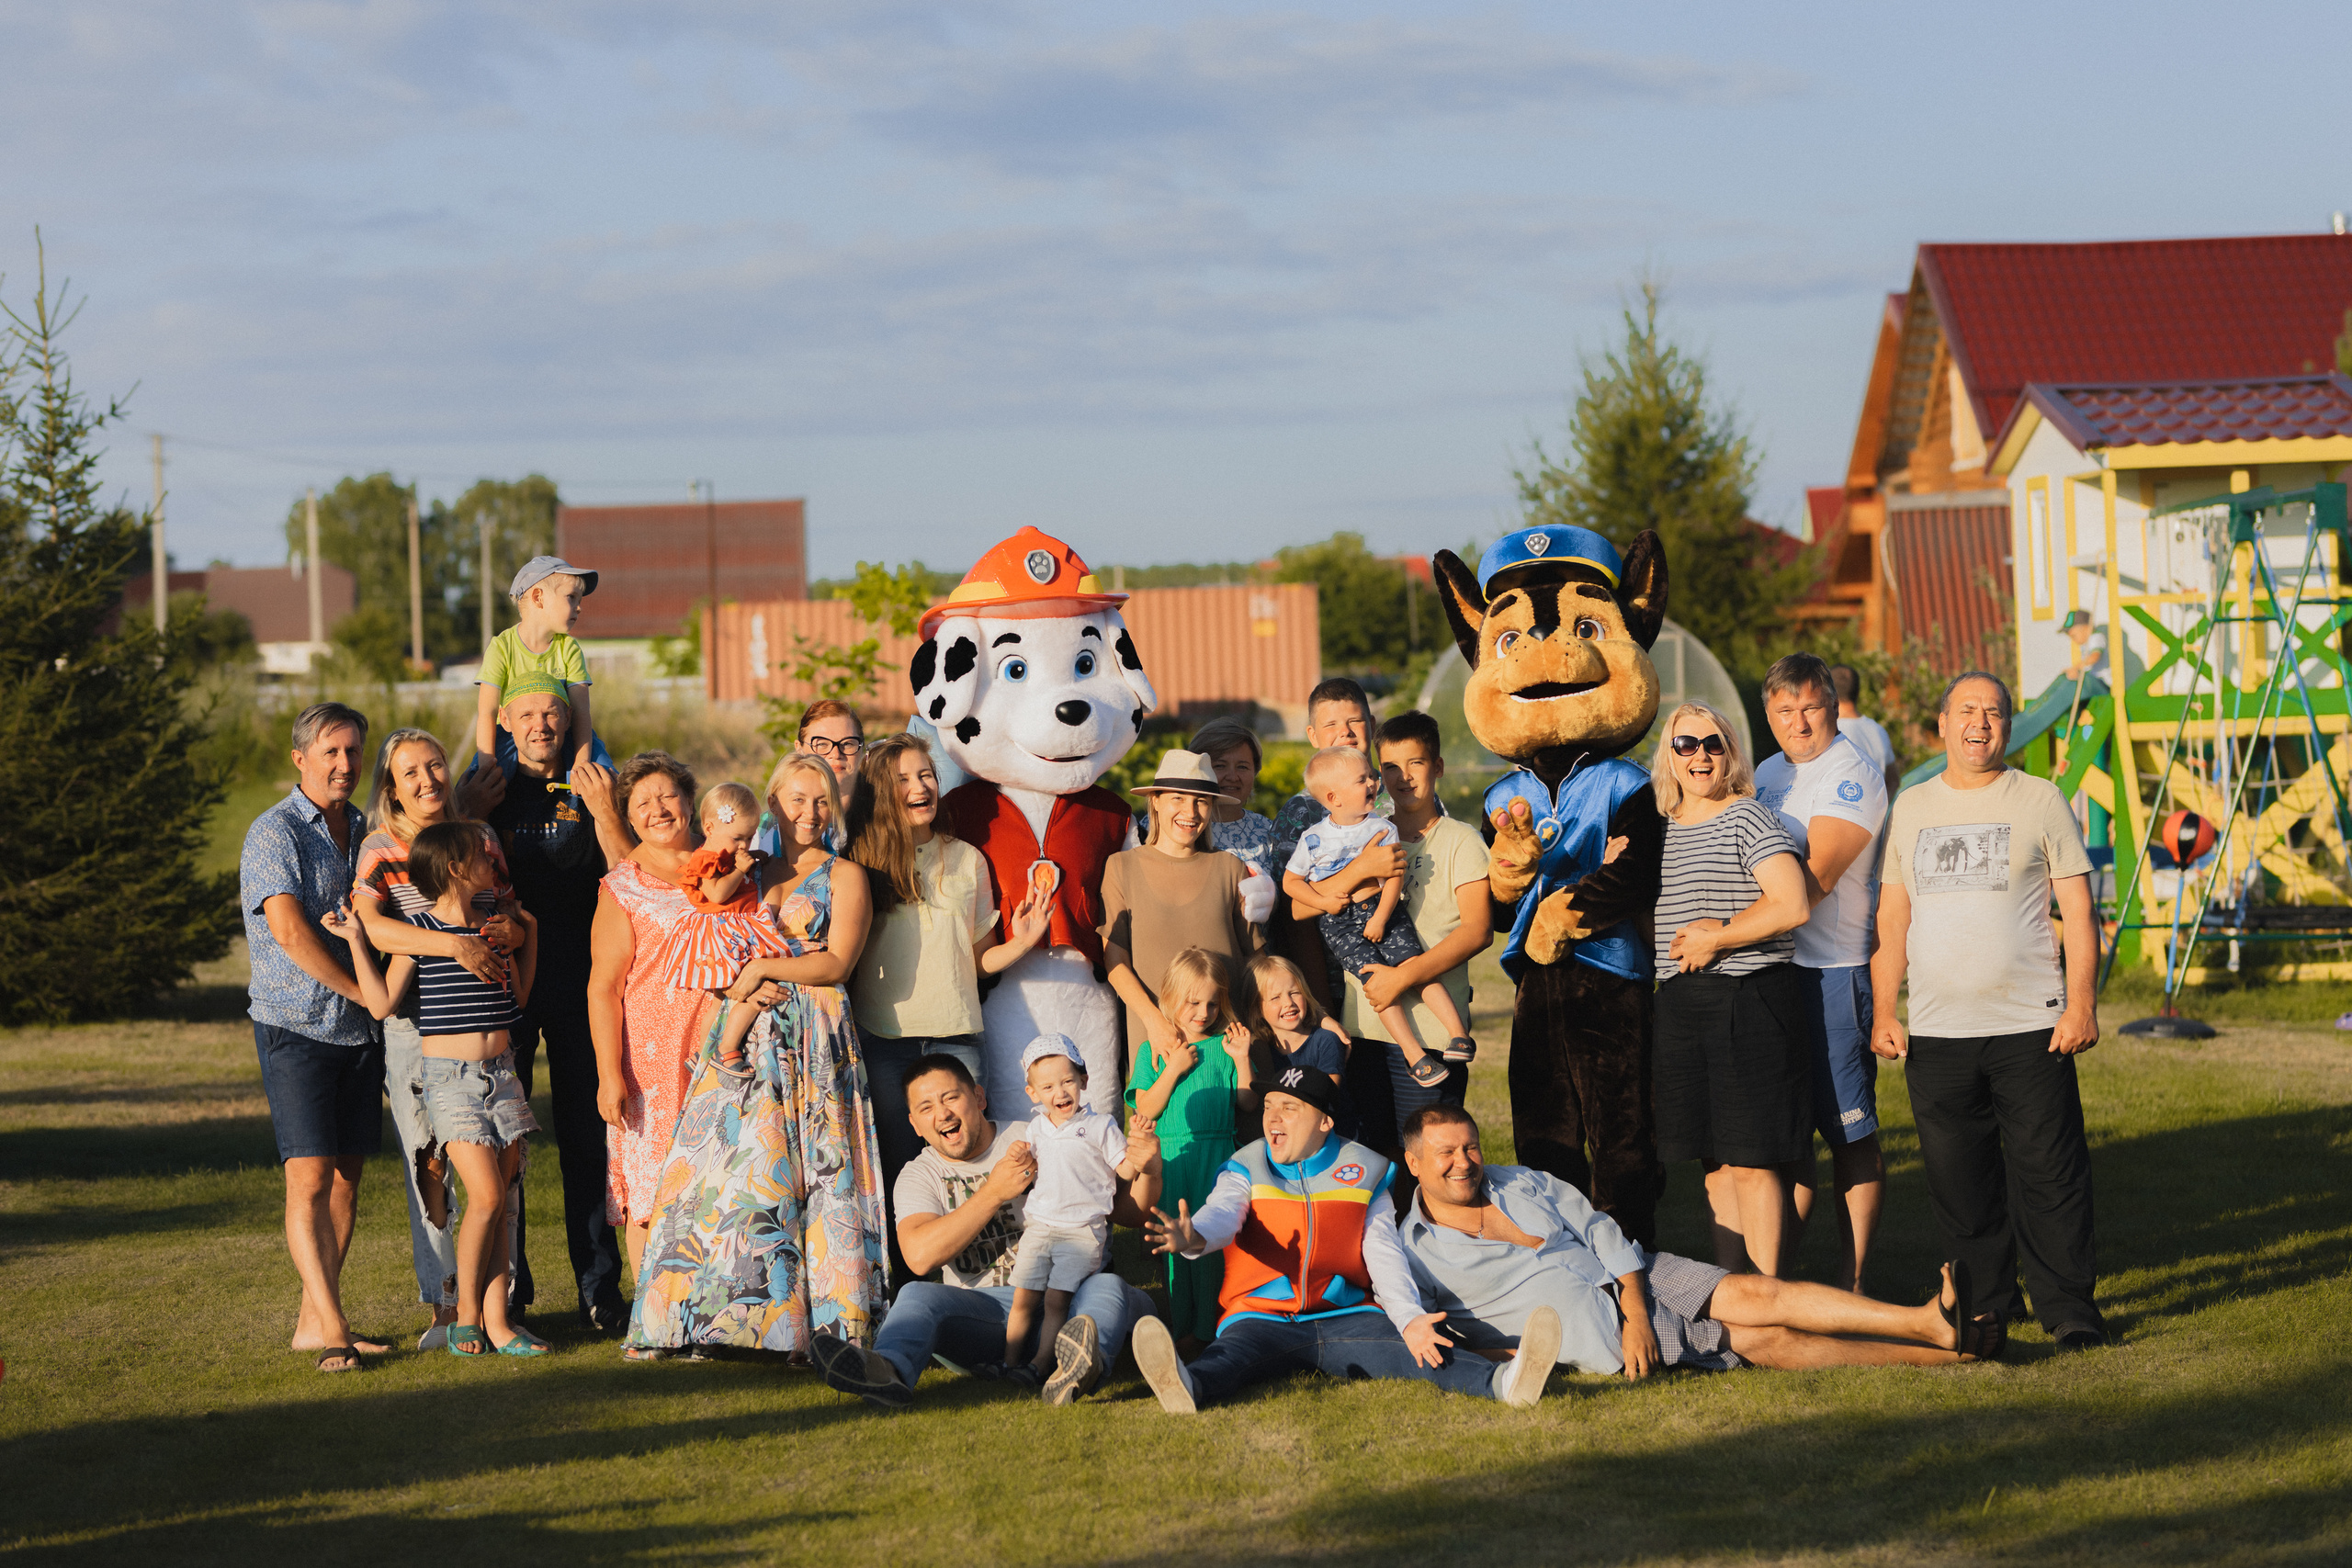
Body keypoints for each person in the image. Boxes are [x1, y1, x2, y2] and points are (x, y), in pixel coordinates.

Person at [1397, 1105, 1991, 1373]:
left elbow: (1600, 1228)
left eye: (1470, 1146)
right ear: (1414, 1162)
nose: (1464, 1162)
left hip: (1637, 1275)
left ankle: (1924, 1321)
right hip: (1605, 1332)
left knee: (1762, 1294)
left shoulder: (1520, 1181)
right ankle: (1940, 1349)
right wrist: (1526, 1358)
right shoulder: (1416, 1253)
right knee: (1764, 1339)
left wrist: (1634, 1305)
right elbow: (1438, 1338)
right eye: (1446, 1152)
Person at [628, 753, 889, 1357]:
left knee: (815, 1172)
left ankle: (821, 1323)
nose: (809, 812)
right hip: (747, 1033)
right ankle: (719, 1319)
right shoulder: (749, 866)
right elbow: (712, 934)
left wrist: (764, 968)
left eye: (821, 800)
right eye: (797, 799)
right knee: (733, 1170)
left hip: (814, 1031)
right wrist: (736, 984)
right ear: (772, 803)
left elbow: (836, 962)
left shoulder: (846, 875)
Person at [1874, 671, 2106, 1354]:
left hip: (2031, 1024)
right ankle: (1987, 1309)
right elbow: (1893, 916)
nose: (1980, 723)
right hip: (1938, 1032)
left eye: (1995, 712)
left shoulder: (2040, 799)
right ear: (1942, 725)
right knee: (1960, 1183)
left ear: (2007, 726)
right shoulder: (1912, 807)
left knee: (2050, 1175)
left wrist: (2082, 1003)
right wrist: (1884, 1008)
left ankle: (2070, 1310)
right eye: (1967, 711)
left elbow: (2080, 910)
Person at [1133, 1063, 1559, 1414]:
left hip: (1347, 1315)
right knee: (1227, 1359)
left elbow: (1383, 1252)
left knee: (1419, 1348)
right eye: (1268, 1106)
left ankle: (1507, 1383)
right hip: (1260, 1316)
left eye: (1289, 1107)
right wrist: (1194, 1237)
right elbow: (1223, 1215)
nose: (1273, 1118)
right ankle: (1187, 1386)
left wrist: (1410, 1319)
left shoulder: (1366, 1170)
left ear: (1325, 1121)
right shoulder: (1244, 1166)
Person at [811, 1053, 1159, 1409]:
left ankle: (1079, 1367)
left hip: (1064, 1300)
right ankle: (884, 1372)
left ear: (978, 1097)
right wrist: (994, 1192)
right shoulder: (918, 1175)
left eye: (951, 1097)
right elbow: (919, 1257)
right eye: (926, 1107)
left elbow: (1126, 1212)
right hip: (982, 1315)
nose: (943, 1114)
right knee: (916, 1293)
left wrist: (1149, 1170)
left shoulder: (1033, 1137)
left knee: (1106, 1287)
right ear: (915, 1123)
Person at [347, 821, 550, 1359]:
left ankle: (498, 1324)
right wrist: (356, 943)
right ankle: (466, 1319)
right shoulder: (418, 931)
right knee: (486, 1197)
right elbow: (382, 1004)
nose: (493, 860)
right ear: (457, 868)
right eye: (482, 855)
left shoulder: (494, 928)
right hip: (451, 1083)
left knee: (501, 1202)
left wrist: (529, 934)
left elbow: (519, 997)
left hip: (502, 1076)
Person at [240, 701, 393, 1373]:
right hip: (295, 1025)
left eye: (353, 751)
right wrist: (363, 991)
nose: (344, 763)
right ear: (300, 758)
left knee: (345, 1183)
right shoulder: (272, 832)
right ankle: (335, 1329)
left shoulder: (363, 827)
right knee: (307, 1179)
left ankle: (312, 1319)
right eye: (331, 751)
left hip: (358, 1035)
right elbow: (289, 931)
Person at [477, 676, 634, 1331]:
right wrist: (467, 811)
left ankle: (600, 1288)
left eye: (553, 713)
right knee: (504, 1141)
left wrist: (606, 812)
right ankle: (509, 1287)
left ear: (570, 722)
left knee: (586, 1138)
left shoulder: (594, 782)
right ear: (505, 722)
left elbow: (631, 875)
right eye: (527, 715)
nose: (541, 725)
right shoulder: (487, 788)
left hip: (582, 982)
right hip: (507, 983)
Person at [848, 732, 1052, 1217]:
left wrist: (1021, 942)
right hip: (885, 1039)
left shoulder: (967, 858)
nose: (921, 786)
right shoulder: (859, 859)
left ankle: (989, 1257)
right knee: (900, 1163)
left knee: (973, 1161)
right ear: (881, 792)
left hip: (958, 1036)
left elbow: (978, 960)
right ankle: (911, 1262)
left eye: (926, 775)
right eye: (903, 779)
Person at [1649, 701, 1813, 1277]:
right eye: (1686, 744)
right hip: (1681, 1004)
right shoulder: (1659, 829)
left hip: (1749, 1001)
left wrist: (1717, 937)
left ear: (1730, 753)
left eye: (1713, 743)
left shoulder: (1748, 817)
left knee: (1752, 1158)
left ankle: (1770, 1296)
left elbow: (1792, 904)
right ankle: (1734, 1296)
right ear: (1669, 757)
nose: (1700, 755)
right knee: (1714, 1162)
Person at [1754, 654, 1893, 1292]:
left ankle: (1854, 1281)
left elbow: (1813, 884)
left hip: (1834, 971)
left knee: (1848, 1133)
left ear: (1834, 706)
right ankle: (1778, 1280)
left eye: (1810, 706)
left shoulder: (1851, 772)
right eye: (1784, 710)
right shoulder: (1766, 773)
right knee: (1790, 1134)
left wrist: (1723, 931)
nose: (1798, 722)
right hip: (1776, 969)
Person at [588, 751, 729, 1279]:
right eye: (643, 803)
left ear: (690, 801)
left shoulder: (727, 867)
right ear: (628, 817)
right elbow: (603, 988)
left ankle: (711, 1304)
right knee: (651, 1191)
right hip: (651, 1063)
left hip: (724, 1049)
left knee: (719, 1180)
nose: (658, 809)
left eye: (668, 795)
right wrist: (609, 1074)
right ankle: (651, 1312)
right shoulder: (623, 886)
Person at [1286, 744, 1476, 1095]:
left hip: (1382, 910)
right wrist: (1323, 901)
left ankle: (1458, 1034)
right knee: (1376, 985)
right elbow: (1291, 883)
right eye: (1362, 780)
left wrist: (1382, 917)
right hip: (1340, 924)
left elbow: (1394, 879)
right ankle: (1415, 1056)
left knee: (1413, 964)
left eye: (1371, 776)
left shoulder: (1382, 828)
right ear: (1333, 797)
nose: (1373, 783)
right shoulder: (1313, 839)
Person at [1128, 947, 1272, 1353]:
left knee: (1209, 1238)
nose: (1203, 1013)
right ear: (1170, 997)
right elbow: (1145, 1108)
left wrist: (1241, 1059)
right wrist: (1173, 1068)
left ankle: (1210, 1329)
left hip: (1218, 1157)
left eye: (1212, 1003)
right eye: (1193, 1003)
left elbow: (1247, 1102)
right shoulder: (1153, 1050)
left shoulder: (1224, 1046)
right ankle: (1180, 1327)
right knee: (1173, 1242)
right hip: (1172, 1160)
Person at [997, 1036, 1153, 1388]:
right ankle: (1008, 1363)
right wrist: (1019, 1156)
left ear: (1083, 1080)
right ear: (1033, 1093)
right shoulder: (1037, 1128)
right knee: (1023, 1298)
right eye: (1048, 1087)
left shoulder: (1101, 1127)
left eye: (1068, 1081)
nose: (1060, 1092)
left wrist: (1139, 1149)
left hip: (1081, 1231)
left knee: (1056, 1299)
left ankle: (1039, 1365)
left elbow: (1124, 1170)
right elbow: (1031, 1168)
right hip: (1040, 1227)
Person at [1100, 750, 1259, 1077]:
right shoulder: (1121, 867)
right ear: (1155, 801)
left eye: (1201, 801)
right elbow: (1114, 960)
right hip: (1156, 1039)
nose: (1190, 812)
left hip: (1229, 1044)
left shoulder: (1231, 868)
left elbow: (1255, 958)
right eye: (1178, 798)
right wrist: (1154, 1021)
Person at [645, 782, 794, 1074]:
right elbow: (717, 894)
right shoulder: (705, 859)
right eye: (738, 838)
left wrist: (753, 860)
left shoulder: (728, 856)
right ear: (710, 828)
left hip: (734, 928)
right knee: (753, 991)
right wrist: (740, 869)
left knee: (720, 1000)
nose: (744, 846)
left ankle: (703, 1053)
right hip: (722, 933)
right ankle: (727, 1049)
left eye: (750, 837)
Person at [475, 555, 604, 780]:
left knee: (604, 774)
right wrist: (486, 763)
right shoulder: (501, 647)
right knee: (476, 782)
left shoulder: (569, 648)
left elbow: (581, 711)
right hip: (509, 735)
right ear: (538, 598)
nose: (579, 608)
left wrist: (582, 762)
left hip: (564, 731)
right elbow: (488, 712)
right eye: (571, 597)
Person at [1242, 953, 1355, 1143]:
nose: (1288, 1003)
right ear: (1257, 1010)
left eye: (1294, 992)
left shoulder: (1326, 1040)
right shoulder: (1261, 1051)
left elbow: (1325, 1094)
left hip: (1335, 1139)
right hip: (1287, 1142)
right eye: (1275, 997)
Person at [755, 698, 864, 855]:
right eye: (822, 744)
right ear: (799, 749)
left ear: (862, 748)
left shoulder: (881, 816)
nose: (836, 754)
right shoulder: (769, 825)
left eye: (847, 744)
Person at [1191, 715, 1277, 884]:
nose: (1232, 776)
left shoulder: (1269, 833)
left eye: (1242, 767)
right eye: (1219, 766)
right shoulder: (1167, 826)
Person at [1827, 663, 1902, 802]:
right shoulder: (1878, 730)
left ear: (1828, 693)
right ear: (1857, 691)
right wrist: (1879, 808)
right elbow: (1893, 780)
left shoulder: (1829, 732)